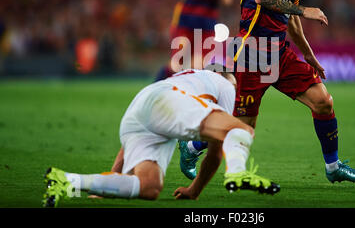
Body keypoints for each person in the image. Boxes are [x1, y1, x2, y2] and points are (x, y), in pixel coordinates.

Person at [180, 0, 355, 184]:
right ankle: (191, 147)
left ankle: (333, 166)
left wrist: (310, 55)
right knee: (243, 126)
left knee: (323, 102)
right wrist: (306, 10)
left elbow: (291, 22)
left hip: (280, 52)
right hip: (252, 53)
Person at [42, 66, 279, 207]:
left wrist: (114, 175)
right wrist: (195, 190)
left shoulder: (190, 80)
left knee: (149, 187)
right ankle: (238, 173)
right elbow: (216, 153)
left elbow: (125, 148)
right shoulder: (224, 83)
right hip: (166, 99)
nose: (236, 92)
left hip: (140, 108)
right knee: (241, 130)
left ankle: (67, 181)